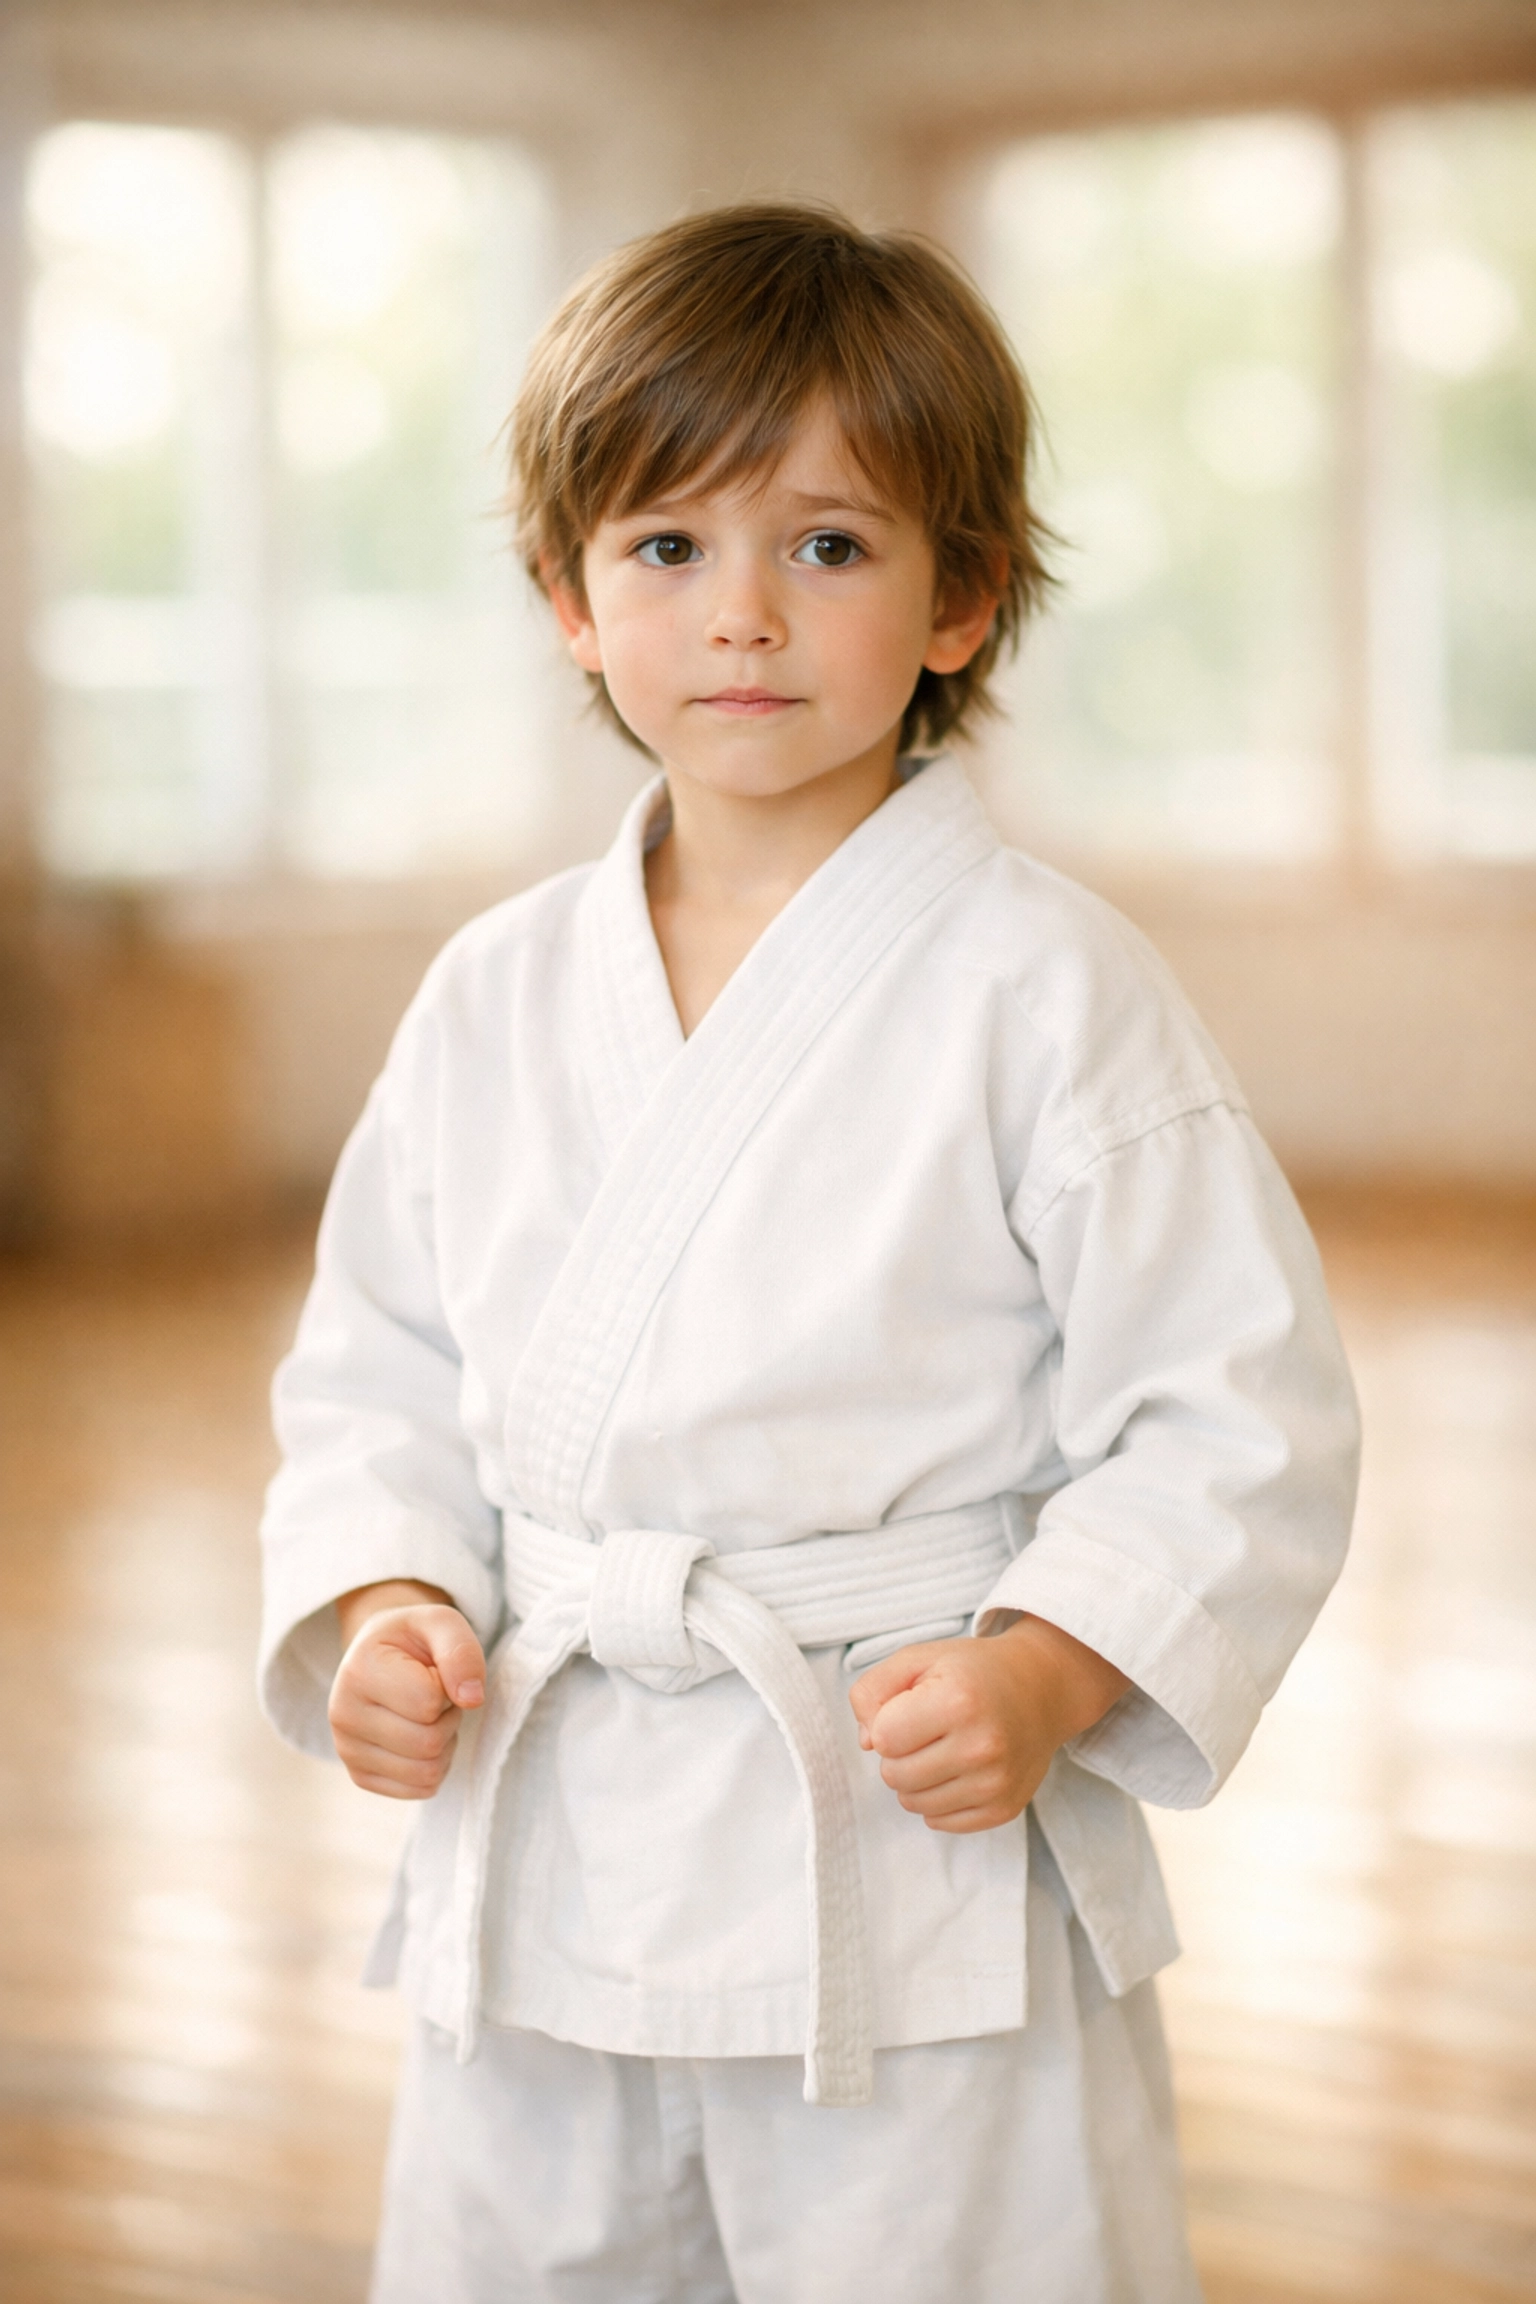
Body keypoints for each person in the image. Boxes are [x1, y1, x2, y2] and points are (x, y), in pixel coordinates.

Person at [258, 203, 1360, 2303]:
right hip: (553, 1821)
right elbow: (376, 1370)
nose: (744, 615)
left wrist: (1047, 1671)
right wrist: (386, 1595)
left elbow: (1238, 1409)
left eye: (829, 544)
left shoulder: (1049, 987)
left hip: (903, 1823)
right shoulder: (493, 993)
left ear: (962, 597)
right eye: (669, 545)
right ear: (571, 599)